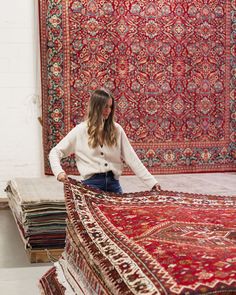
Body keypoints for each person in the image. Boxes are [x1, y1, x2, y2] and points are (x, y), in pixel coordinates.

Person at [49, 88, 161, 194]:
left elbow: (132, 159)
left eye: (110, 107)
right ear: (96, 107)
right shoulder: (80, 131)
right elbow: (55, 152)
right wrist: (59, 172)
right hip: (91, 185)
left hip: (114, 184)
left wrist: (152, 183)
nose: (108, 111)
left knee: (122, 213)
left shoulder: (117, 130)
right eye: (105, 107)